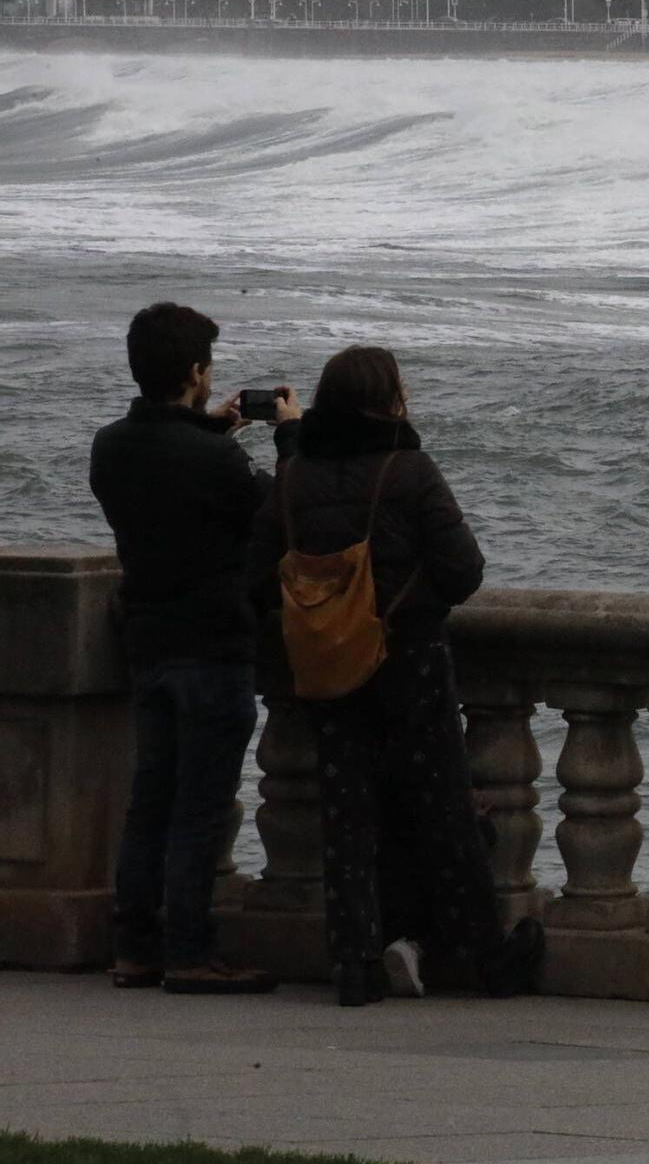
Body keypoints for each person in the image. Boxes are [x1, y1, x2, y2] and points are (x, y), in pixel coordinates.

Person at [248, 345, 543, 1007]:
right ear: (389, 400)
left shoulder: (294, 476)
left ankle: (353, 962)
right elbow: (463, 569)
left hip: (328, 666)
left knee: (347, 813)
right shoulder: (408, 469)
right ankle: (488, 958)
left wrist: (325, 616)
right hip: (409, 661)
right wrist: (404, 608)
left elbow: (258, 574)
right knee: (443, 810)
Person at [89, 302, 301, 994]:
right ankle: (188, 949)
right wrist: (289, 437)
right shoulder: (215, 461)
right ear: (197, 372)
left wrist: (209, 428)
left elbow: (168, 472)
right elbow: (282, 512)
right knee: (199, 806)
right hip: (212, 646)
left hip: (146, 643)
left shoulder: (111, 446)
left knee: (150, 799)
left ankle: (135, 947)